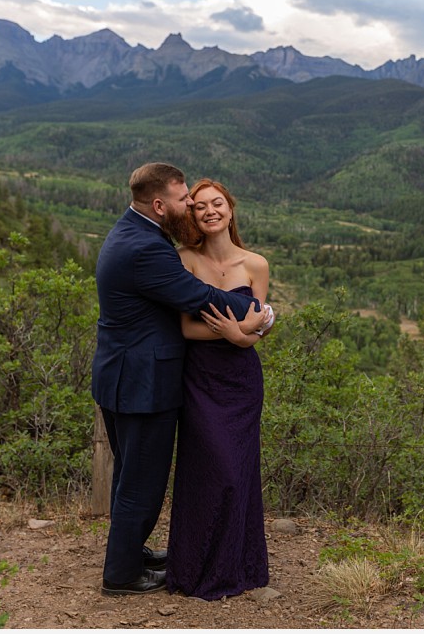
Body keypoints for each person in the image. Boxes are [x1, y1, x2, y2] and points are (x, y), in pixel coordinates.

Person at [91, 163, 269, 596]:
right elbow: (198, 298)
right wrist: (262, 315)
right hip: (142, 382)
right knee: (142, 484)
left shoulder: (134, 232)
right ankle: (121, 576)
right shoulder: (149, 249)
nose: (190, 203)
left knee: (130, 478)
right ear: (159, 204)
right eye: (184, 197)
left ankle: (130, 553)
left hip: (124, 375)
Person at [165, 178, 272, 600]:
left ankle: (239, 566)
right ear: (192, 215)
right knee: (208, 470)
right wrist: (231, 330)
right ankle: (194, 569)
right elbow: (187, 328)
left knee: (239, 471)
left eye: (218, 204)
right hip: (201, 381)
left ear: (231, 208)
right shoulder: (184, 259)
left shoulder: (256, 264)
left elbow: (256, 334)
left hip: (242, 381)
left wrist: (240, 334)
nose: (210, 211)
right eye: (201, 207)